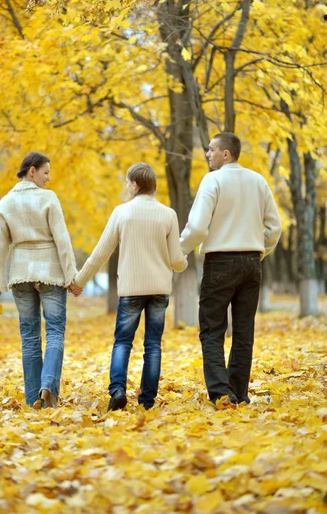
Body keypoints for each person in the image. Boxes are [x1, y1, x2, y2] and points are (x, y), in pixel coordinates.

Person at [72, 163, 188, 411]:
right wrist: (182, 264)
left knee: (123, 342)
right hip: (159, 290)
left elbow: (100, 253)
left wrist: (78, 281)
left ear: (135, 184)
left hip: (131, 290)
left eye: (128, 182)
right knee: (153, 344)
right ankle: (147, 400)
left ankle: (117, 391)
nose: (127, 186)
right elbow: (177, 260)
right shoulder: (168, 215)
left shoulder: (122, 213)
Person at [180, 133, 282, 407]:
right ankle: (239, 392)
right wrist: (260, 251)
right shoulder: (258, 181)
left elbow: (198, 227)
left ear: (227, 154)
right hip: (251, 262)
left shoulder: (213, 180)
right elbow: (275, 228)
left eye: (212, 150)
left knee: (212, 329)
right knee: (244, 329)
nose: (208, 154)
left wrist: (178, 251)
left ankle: (222, 394)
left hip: (220, 261)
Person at [0, 152, 81, 409]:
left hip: (20, 276)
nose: (48, 178)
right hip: (51, 274)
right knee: (55, 332)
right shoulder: (48, 199)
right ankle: (48, 387)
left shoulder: (5, 203)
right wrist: (72, 277)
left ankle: (33, 401)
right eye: (45, 172)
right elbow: (62, 240)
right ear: (32, 171)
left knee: (29, 337)